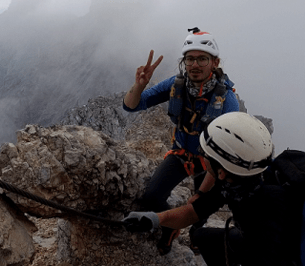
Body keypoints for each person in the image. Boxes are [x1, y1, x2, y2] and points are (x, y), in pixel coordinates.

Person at [123, 112, 303, 266]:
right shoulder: (237, 182)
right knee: (203, 237)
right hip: (256, 240)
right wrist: (154, 219)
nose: (201, 155)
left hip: (281, 254)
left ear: (221, 170)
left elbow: (268, 256)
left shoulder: (268, 209)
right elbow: (192, 213)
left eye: (205, 154)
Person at [123, 28, 240, 255]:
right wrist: (139, 84)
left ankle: (196, 236)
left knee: (198, 209)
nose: (194, 64)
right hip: (182, 154)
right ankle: (170, 230)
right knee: (152, 196)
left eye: (202, 59)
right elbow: (131, 105)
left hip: (211, 164)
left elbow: (224, 154)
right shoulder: (176, 85)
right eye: (189, 59)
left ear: (214, 62)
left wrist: (202, 193)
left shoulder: (227, 100)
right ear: (184, 62)